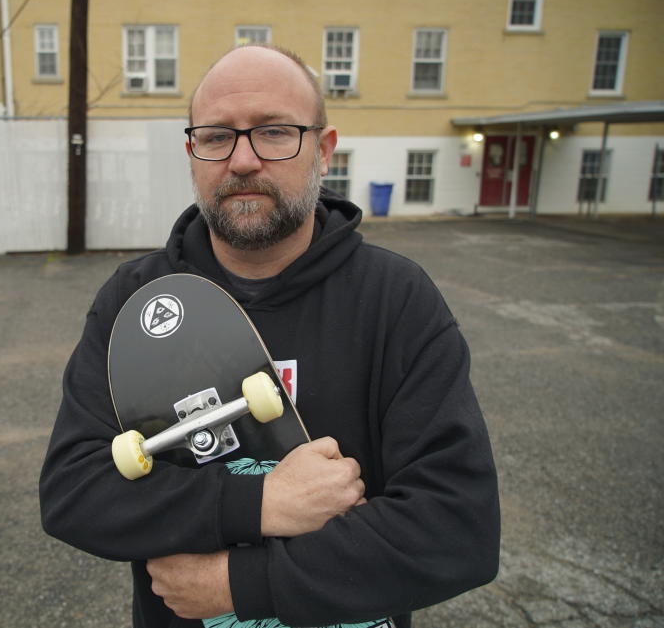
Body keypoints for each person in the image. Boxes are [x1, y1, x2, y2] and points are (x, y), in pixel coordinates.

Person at [40, 44, 500, 628]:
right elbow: (73, 492)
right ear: (192, 152)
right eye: (216, 136)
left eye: (275, 132)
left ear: (323, 150)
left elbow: (458, 528)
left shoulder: (396, 299)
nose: (242, 160)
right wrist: (259, 504)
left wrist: (241, 584)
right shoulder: (135, 301)